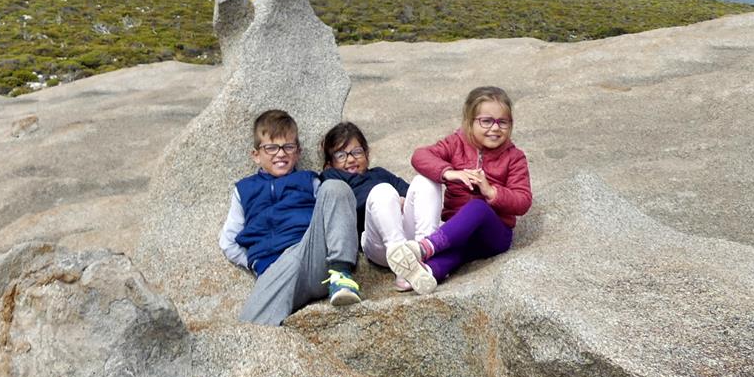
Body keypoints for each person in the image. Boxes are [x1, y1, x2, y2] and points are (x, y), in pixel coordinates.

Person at [218, 109, 361, 324]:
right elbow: (228, 241)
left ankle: (340, 275)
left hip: (312, 258)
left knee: (335, 188)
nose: (281, 153)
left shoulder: (309, 180)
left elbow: (332, 213)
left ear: (298, 152)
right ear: (256, 155)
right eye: (271, 148)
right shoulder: (244, 190)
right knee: (251, 327)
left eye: (288, 147)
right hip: (273, 270)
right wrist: (253, 263)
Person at [385, 85, 532, 291]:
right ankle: (425, 273)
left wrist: (491, 191)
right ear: (469, 122)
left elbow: (523, 200)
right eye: (486, 121)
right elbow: (420, 156)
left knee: (478, 209)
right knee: (457, 252)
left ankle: (423, 248)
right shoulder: (456, 143)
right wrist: (449, 172)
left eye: (503, 122)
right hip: (458, 231)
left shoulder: (514, 157)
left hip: (494, 234)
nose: (495, 128)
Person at [318, 121, 434, 294]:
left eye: (357, 152)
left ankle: (426, 256)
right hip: (378, 242)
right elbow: (348, 209)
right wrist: (394, 200)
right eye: (341, 155)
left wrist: (402, 200)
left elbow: (413, 197)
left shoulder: (380, 173)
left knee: (425, 182)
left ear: (367, 153)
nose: (351, 159)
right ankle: (404, 269)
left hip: (408, 234)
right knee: (382, 192)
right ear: (329, 163)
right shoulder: (332, 179)